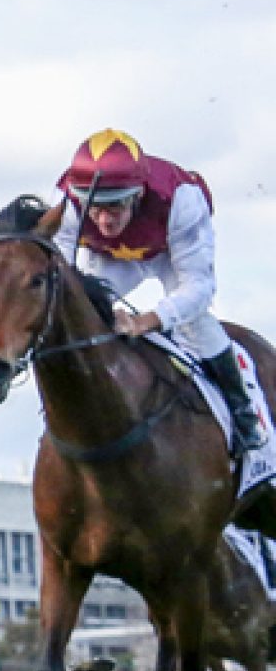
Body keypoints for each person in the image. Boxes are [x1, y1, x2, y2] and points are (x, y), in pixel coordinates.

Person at [52, 129, 267, 456]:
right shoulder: (66, 204)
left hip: (168, 250)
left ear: (138, 195)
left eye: (115, 207)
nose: (105, 220)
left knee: (196, 324)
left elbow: (199, 289)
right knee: (87, 311)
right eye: (94, 207)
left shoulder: (182, 199)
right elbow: (60, 280)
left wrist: (146, 321)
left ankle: (243, 415)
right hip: (112, 258)